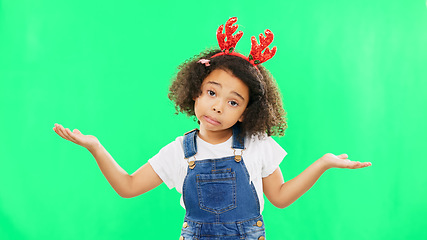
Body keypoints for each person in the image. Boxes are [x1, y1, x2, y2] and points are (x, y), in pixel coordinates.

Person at [53, 17, 371, 240]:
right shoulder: (179, 151)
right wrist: (95, 147)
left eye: (234, 102)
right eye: (211, 93)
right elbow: (128, 186)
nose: (218, 105)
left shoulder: (257, 144)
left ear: (247, 113)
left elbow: (280, 197)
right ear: (195, 92)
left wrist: (324, 163)